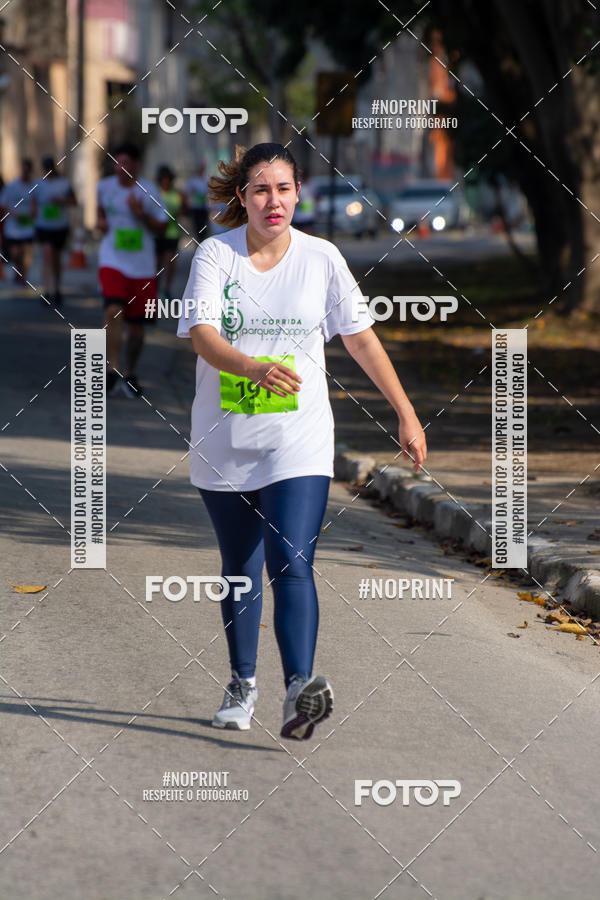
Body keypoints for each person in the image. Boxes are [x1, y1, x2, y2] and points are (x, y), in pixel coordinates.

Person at [177, 143, 427, 740]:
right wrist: (252, 367)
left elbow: (360, 338)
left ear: (298, 194)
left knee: (292, 561)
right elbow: (202, 335)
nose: (274, 201)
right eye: (261, 190)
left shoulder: (322, 258)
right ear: (243, 197)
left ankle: (298, 690)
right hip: (226, 437)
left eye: (284, 189)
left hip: (299, 437)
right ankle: (242, 684)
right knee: (240, 568)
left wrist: (406, 412)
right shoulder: (216, 254)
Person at [97, 142, 168, 398]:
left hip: (142, 267)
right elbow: (100, 212)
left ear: (136, 165)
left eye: (125, 163)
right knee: (112, 310)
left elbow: (162, 227)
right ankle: (112, 369)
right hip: (112, 260)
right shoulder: (104, 187)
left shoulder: (149, 192)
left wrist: (141, 215)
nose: (120, 168)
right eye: (117, 162)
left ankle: (130, 372)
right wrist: (101, 222)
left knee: (137, 329)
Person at [34, 156, 76, 306]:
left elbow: (74, 201)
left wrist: (60, 201)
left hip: (60, 226)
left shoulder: (64, 183)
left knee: (57, 259)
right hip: (43, 226)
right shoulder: (39, 184)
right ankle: (46, 290)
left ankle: (57, 288)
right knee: (46, 257)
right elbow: (33, 202)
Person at [0, 158, 36, 284]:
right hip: (13, 227)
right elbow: (3, 204)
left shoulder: (34, 186)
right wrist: (13, 213)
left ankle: (23, 277)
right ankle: (19, 271)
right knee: (15, 253)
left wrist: (34, 212)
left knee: (26, 252)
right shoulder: (12, 186)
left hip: (28, 225)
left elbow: (38, 203)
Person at [155, 165, 183, 299]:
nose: (165, 181)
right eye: (163, 179)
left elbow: (184, 211)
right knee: (157, 263)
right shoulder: (154, 192)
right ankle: (155, 288)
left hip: (172, 233)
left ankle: (166, 289)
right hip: (157, 233)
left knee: (170, 262)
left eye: (167, 179)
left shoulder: (177, 194)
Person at [184, 162, 209, 239]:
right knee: (197, 227)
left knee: (204, 226)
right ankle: (198, 239)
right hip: (195, 208)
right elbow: (186, 192)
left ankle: (202, 239)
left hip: (204, 208)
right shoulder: (192, 180)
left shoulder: (206, 179)